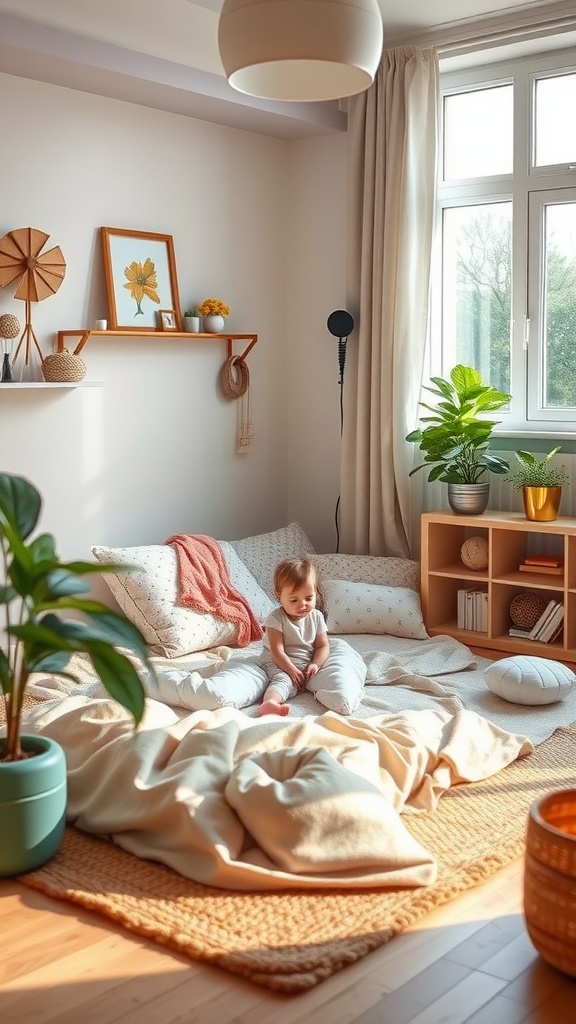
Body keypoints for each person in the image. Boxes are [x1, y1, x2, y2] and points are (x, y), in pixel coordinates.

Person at [257, 558, 330, 717]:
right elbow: (277, 652)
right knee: (284, 681)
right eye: (294, 600)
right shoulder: (275, 619)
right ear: (279, 596)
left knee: (327, 676)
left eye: (309, 598)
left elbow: (323, 646)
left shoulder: (316, 616)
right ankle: (269, 703)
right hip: (278, 661)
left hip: (303, 661)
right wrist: (292, 670)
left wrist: (315, 665)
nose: (303, 604)